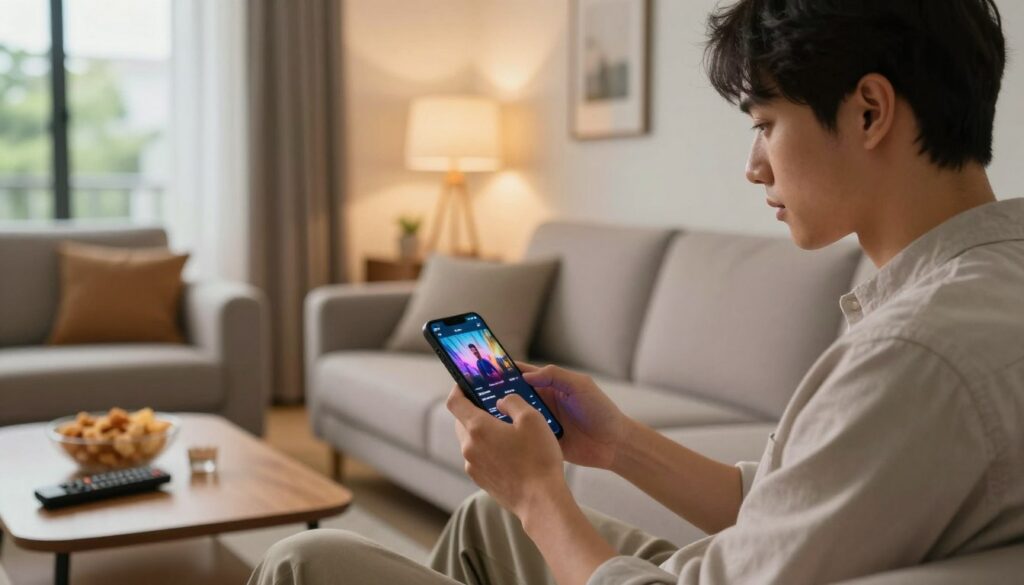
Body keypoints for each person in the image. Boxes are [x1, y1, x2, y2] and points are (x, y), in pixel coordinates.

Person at [249, 0, 1024, 583]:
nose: (754, 165)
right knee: (490, 518)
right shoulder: (989, 287)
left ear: (869, 110)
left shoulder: (911, 355)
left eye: (764, 122)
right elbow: (804, 503)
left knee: (303, 559)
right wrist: (615, 442)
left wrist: (540, 495)